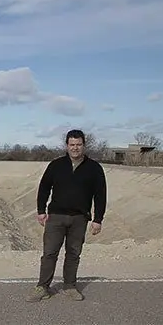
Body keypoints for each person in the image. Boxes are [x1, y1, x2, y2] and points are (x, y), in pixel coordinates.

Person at [26, 129, 107, 302]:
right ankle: (42, 287)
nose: (75, 148)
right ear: (66, 145)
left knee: (73, 254)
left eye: (79, 144)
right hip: (56, 216)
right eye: (72, 144)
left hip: (80, 218)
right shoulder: (56, 165)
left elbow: (100, 195)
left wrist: (97, 219)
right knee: (49, 253)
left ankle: (69, 286)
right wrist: (41, 211)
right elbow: (44, 188)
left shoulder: (94, 168)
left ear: (84, 145)